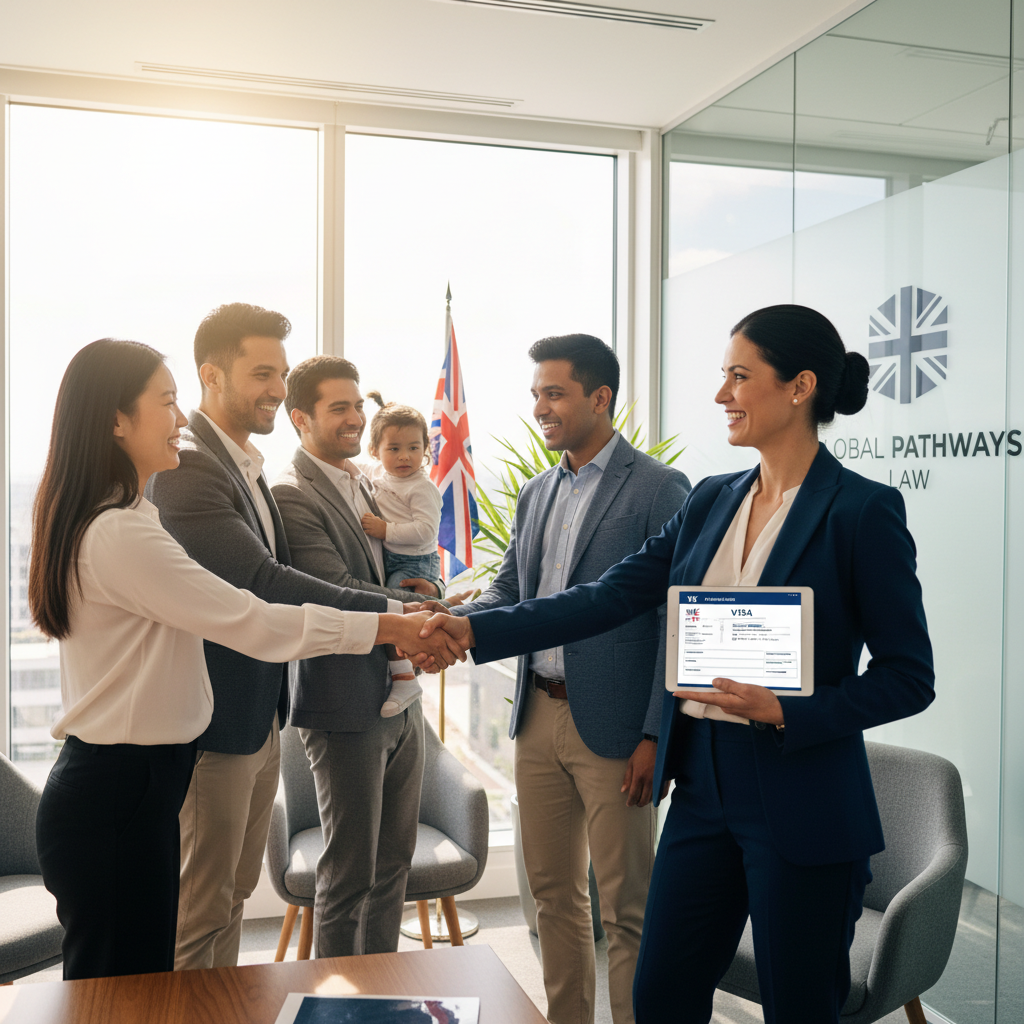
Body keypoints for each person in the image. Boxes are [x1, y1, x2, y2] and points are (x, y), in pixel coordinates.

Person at [422, 306, 935, 1024]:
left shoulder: (861, 512)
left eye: (738, 376)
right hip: (702, 788)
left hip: (801, 794)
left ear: (800, 387)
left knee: (799, 1007)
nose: (722, 394)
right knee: (661, 995)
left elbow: (910, 674)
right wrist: (469, 630)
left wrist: (790, 708)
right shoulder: (710, 501)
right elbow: (603, 598)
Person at [29, 339, 462, 981]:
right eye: (167, 403)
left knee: (139, 988)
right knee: (123, 996)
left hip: (131, 785)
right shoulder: (121, 532)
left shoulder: (126, 517)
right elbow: (253, 618)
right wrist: (395, 624)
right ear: (116, 421)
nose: (179, 419)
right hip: (118, 791)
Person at [145, 305, 441, 970]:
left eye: (280, 371)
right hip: (216, 723)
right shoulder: (191, 466)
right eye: (262, 373)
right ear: (210, 375)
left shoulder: (245, 465)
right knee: (202, 912)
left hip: (257, 715)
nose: (276, 387)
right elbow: (264, 580)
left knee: (229, 902)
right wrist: (395, 624)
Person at [444, 335, 690, 1024]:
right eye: (536, 395)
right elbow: (511, 593)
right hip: (538, 719)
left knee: (627, 906)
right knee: (554, 897)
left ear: (599, 397)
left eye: (554, 393)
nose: (540, 408)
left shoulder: (658, 488)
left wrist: (653, 733)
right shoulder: (536, 490)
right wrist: (450, 619)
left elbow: (676, 622)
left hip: (618, 729)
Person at [269, 355, 438, 956]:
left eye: (356, 406)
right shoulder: (291, 493)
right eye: (338, 407)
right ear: (299, 418)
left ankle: (382, 994)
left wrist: (432, 591)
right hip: (342, 704)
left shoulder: (365, 480)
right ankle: (336, 1004)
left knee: (396, 862)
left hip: (400, 698)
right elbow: (334, 588)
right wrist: (417, 613)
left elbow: (398, 564)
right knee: (347, 876)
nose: (354, 418)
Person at [358, 390, 444, 716]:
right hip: (393, 555)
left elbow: (425, 530)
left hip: (414, 561)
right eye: (394, 449)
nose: (405, 456)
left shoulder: (422, 487)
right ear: (376, 451)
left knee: (396, 614)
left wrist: (385, 530)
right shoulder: (377, 472)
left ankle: (406, 677)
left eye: (413, 448)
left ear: (425, 450)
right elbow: (352, 467)